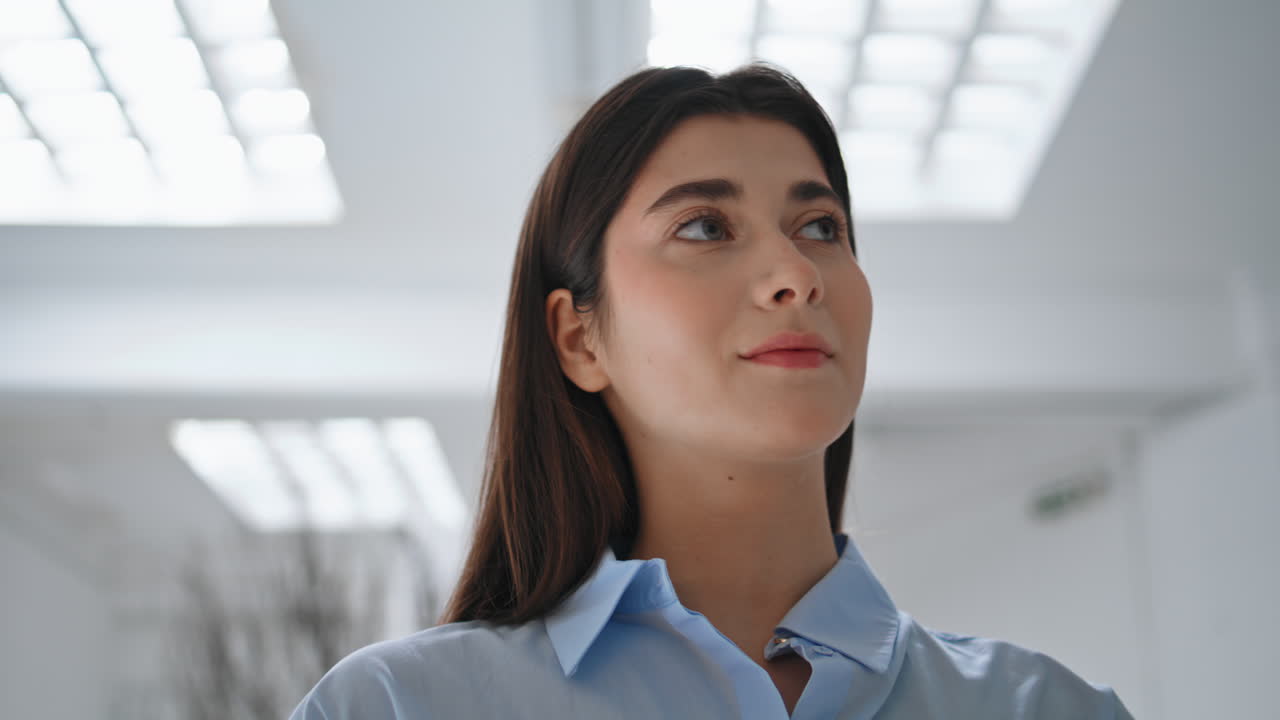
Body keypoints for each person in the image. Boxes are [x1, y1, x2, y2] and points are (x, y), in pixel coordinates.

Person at [287, 63, 1135, 719]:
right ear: (578, 338)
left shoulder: (1046, 709)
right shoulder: (396, 707)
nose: (796, 273)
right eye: (704, 227)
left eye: (820, 227)